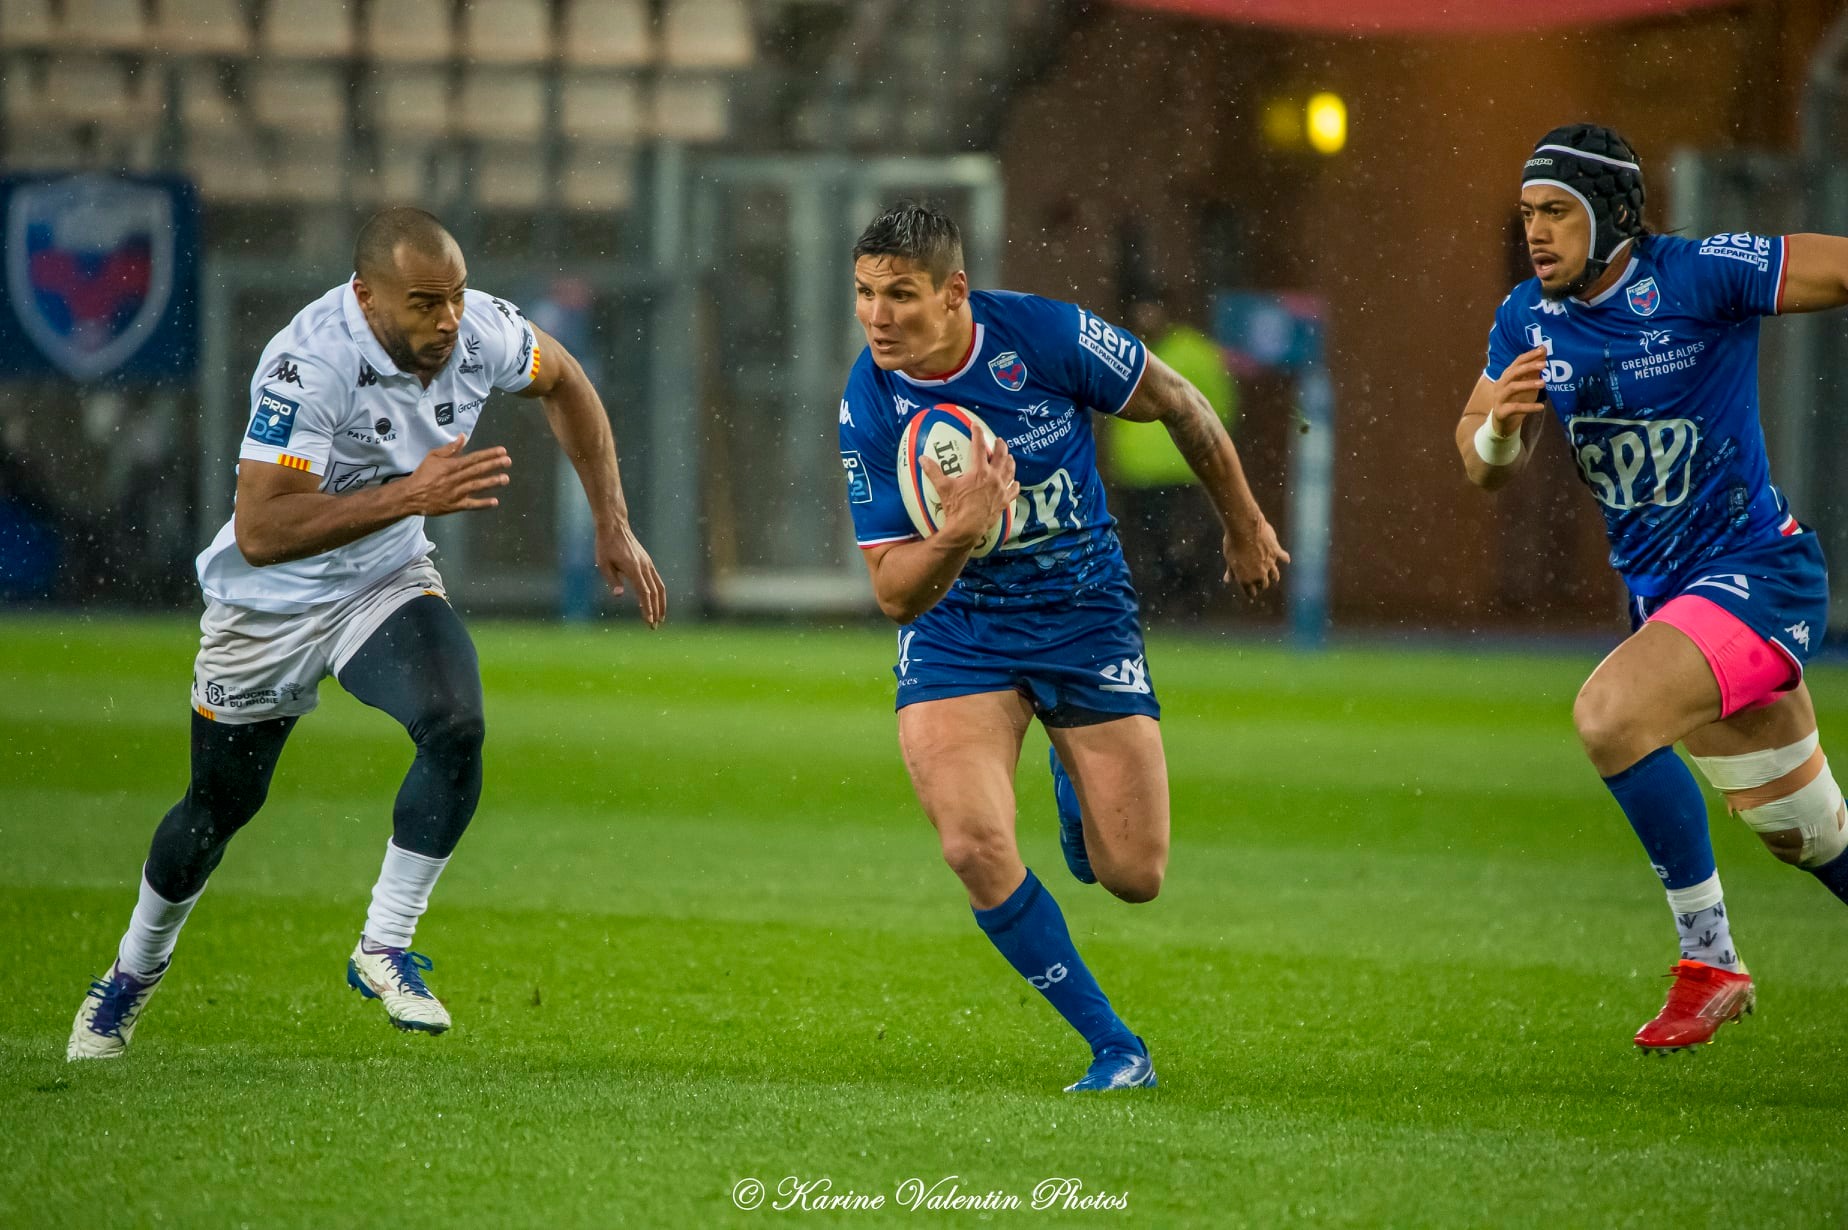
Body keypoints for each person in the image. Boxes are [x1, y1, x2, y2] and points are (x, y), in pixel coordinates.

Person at [68, 208, 666, 1060]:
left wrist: (613, 520)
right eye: (424, 303)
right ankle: (132, 970)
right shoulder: (307, 364)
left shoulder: (480, 334)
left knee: (455, 725)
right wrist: (406, 497)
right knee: (219, 807)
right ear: (366, 296)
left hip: (381, 582)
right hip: (267, 604)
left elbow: (566, 380)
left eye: (454, 298)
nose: (447, 320)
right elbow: (263, 528)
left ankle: (383, 946)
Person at [838, 201, 1288, 1090]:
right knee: (972, 845)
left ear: (954, 291)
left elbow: (1182, 403)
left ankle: (1068, 775)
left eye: (900, 295)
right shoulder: (871, 400)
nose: (878, 318)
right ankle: (1115, 1046)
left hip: (1085, 619)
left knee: (1135, 875)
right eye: (863, 295)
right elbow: (894, 593)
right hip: (959, 636)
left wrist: (1243, 524)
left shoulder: (1042, 337)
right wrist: (961, 534)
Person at [1457, 124, 1848, 1052]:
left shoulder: (1698, 273)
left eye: (1557, 212)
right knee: (1811, 835)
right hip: (1674, 609)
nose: (1537, 233)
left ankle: (1710, 960)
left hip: (1759, 577)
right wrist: (1503, 436)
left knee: (1607, 715)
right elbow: (1476, 459)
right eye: (1527, 215)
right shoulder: (1527, 317)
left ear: (1613, 215)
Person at [1103, 290, 1240, 621]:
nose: (1146, 319)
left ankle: (1189, 608)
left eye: (1151, 311)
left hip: (1181, 473)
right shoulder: (1121, 349)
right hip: (1135, 475)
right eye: (1140, 312)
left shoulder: (1194, 352)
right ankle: (1156, 609)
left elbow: (1220, 408)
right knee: (1143, 547)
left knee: (1182, 545)